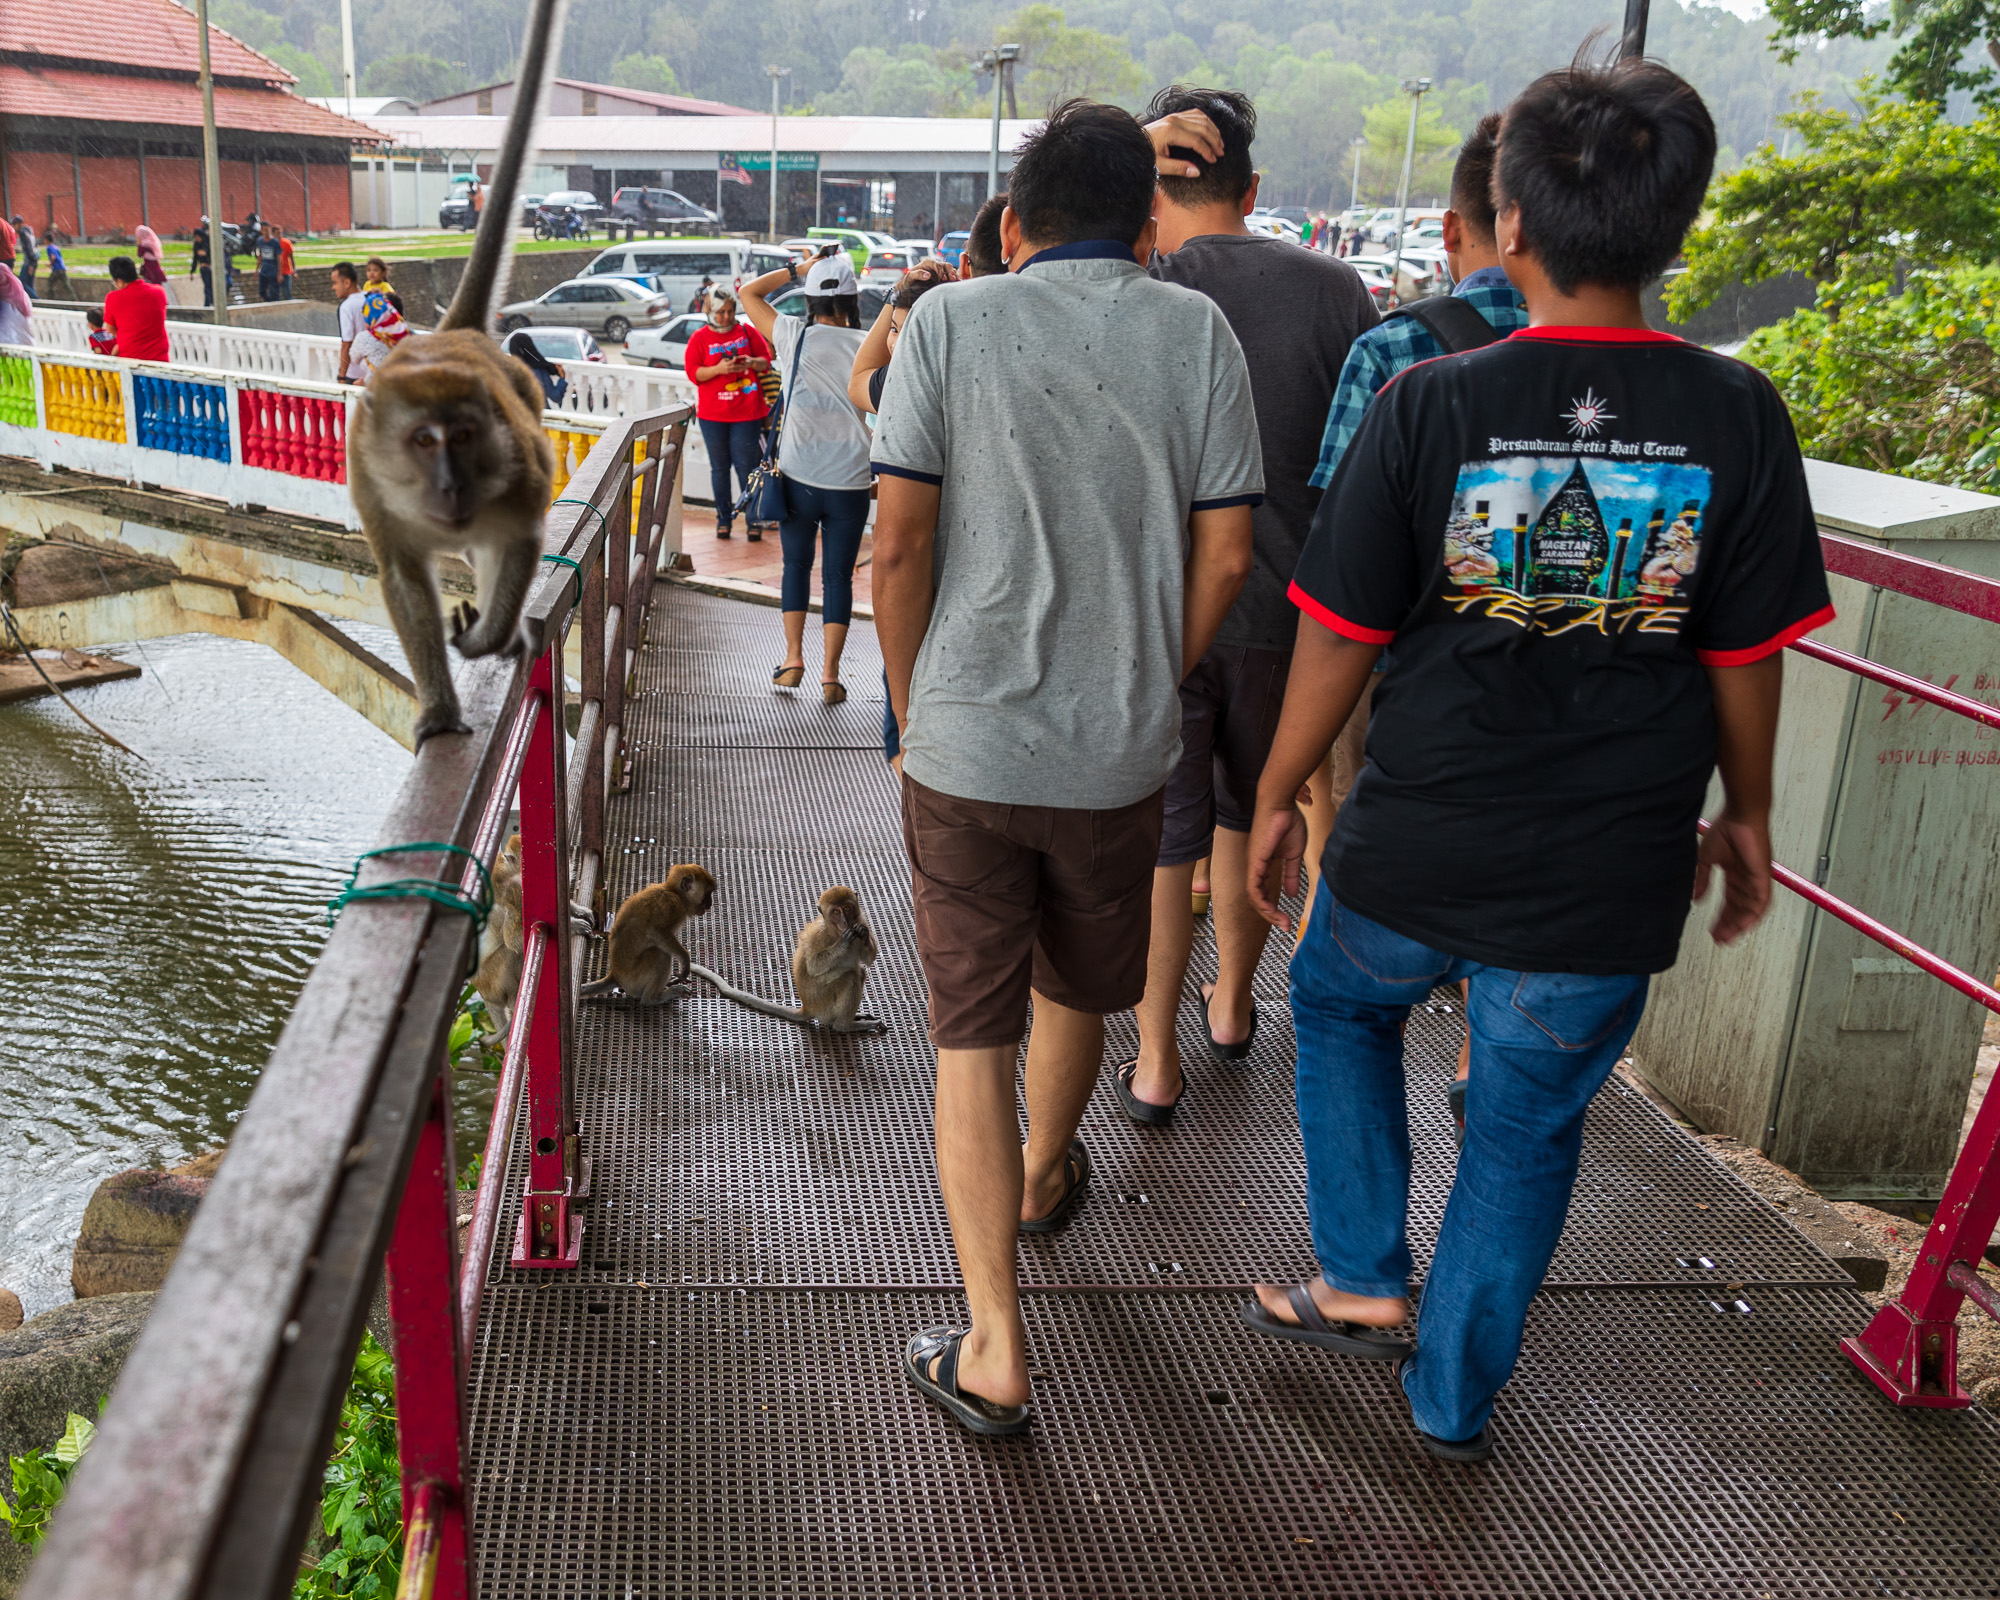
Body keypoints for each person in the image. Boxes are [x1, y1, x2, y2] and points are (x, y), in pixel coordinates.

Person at [1240, 55, 1832, 1464]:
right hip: (1609, 862)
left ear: (1507, 222)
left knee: (1338, 1001)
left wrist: (1275, 792)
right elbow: (1746, 652)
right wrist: (1748, 814)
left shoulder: (1429, 401)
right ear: (1675, 227)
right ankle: (1451, 1399)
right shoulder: (1738, 414)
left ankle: (1360, 1271)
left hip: (1419, 830)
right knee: (1524, 1127)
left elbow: (1338, 632)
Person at [869, 99, 1261, 1437]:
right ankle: (1044, 1178)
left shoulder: (948, 322)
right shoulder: (1195, 333)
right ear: (1145, 222)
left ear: (1016, 221)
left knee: (969, 1031)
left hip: (965, 746)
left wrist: (914, 708)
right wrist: (1147, 675)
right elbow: (1225, 557)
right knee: (1077, 985)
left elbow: (898, 546)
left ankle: (991, 1342)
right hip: (1119, 753)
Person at [1114, 87, 1380, 1127]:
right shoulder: (1335, 290)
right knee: (1248, 814)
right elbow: (1363, 464)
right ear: (1254, 187)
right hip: (1288, 617)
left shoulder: (1141, 281)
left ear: (1150, 186)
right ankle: (1231, 1005)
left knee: (1164, 843)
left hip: (1161, 616)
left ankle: (1153, 1061)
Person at [1296, 117, 1524, 1139]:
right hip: (1541, 690)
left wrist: (1285, 778)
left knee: (1353, 902)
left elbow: (1342, 550)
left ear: (1452, 229)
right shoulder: (1625, 368)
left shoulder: (1393, 350)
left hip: (1397, 680)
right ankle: (1483, 1054)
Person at [739, 247, 873, 705]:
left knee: (795, 566)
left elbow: (748, 293)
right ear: (852, 300)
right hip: (852, 479)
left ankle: (793, 658)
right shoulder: (868, 344)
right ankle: (831, 675)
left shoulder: (792, 335)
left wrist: (798, 268)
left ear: (811, 301)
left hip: (798, 476)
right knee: (838, 577)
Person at [848, 257, 957, 771]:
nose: (897, 342)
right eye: (894, 330)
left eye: (907, 331)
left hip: (926, 583)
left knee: (912, 730)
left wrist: (896, 299)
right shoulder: (961, 367)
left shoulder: (906, 384)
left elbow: (857, 379)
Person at [683, 289, 773, 542]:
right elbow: (693, 373)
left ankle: (753, 519)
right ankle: (723, 519)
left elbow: (766, 361)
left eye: (730, 311)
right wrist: (719, 369)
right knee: (720, 469)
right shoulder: (700, 337)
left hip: (747, 412)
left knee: (747, 468)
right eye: (720, 312)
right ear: (709, 311)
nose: (726, 317)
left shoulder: (746, 331)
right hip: (713, 415)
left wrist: (750, 362)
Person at [100, 256, 169, 361]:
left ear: (119, 281)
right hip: (159, 357)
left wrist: (127, 335)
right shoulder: (159, 291)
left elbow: (110, 329)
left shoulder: (113, 298)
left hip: (131, 358)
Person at [333, 261, 388, 384]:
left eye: (335, 283)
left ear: (347, 283)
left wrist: (342, 377)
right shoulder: (372, 298)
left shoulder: (347, 306)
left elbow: (346, 344)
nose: (333, 287)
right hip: (377, 372)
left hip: (354, 374)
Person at [256, 223, 283, 302]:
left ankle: (274, 304)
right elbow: (260, 256)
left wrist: (279, 274)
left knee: (274, 293)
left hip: (273, 272)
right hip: (264, 271)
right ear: (261, 231)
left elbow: (279, 258)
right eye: (264, 230)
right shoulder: (260, 241)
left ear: (270, 230)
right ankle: (269, 302)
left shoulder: (275, 242)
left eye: (267, 230)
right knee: (261, 291)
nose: (266, 232)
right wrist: (257, 269)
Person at [11, 218, 36, 299]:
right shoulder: (28, 231)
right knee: (29, 283)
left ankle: (38, 299)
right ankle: (34, 301)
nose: (13, 227)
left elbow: (29, 248)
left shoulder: (23, 233)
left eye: (14, 225)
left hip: (29, 261)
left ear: (19, 224)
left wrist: (31, 264)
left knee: (22, 283)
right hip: (33, 260)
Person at [191, 218, 214, 307]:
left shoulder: (207, 242)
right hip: (204, 268)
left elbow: (207, 252)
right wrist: (192, 271)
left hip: (210, 267)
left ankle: (212, 303)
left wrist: (204, 253)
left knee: (212, 286)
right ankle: (207, 305)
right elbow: (195, 258)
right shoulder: (197, 245)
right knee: (207, 286)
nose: (197, 239)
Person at [277, 229, 296, 299]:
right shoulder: (272, 243)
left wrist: (294, 271)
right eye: (277, 233)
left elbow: (292, 258)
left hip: (286, 272)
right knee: (275, 294)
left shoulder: (286, 242)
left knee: (286, 293)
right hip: (275, 272)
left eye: (280, 233)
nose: (279, 235)